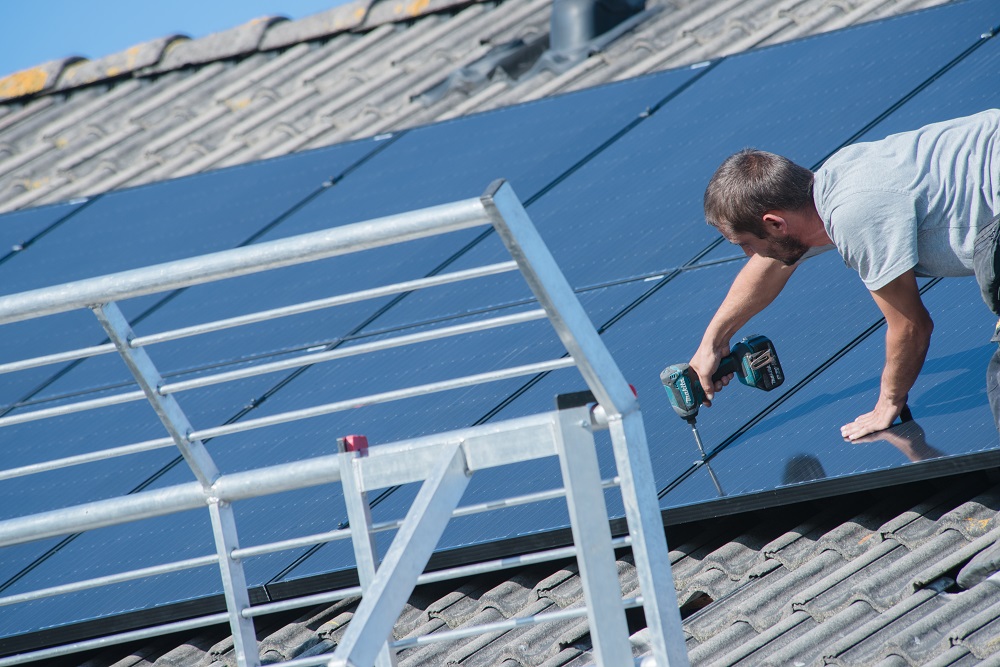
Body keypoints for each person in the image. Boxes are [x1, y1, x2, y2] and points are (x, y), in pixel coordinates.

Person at [689, 109, 1000, 440]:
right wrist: (713, 342)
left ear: (775, 224)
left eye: (746, 244)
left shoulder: (856, 214)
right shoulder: (834, 184)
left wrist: (888, 403)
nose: (749, 255)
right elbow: (769, 267)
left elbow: (911, 326)